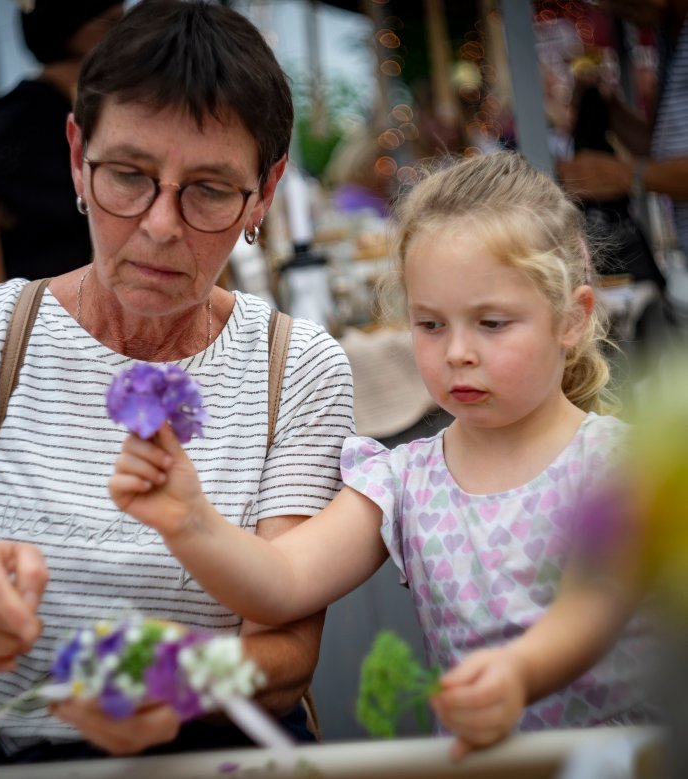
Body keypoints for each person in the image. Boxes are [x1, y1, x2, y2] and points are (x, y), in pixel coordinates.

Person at [0, 0, 354, 765]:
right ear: (78, 155)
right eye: (128, 175)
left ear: (267, 190)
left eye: (209, 190)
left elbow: (285, 658)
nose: (158, 224)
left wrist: (184, 677)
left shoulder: (297, 365)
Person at [111, 152, 655, 759]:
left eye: (493, 323)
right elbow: (283, 582)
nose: (458, 353)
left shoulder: (615, 465)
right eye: (429, 324)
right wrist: (190, 522)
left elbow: (591, 608)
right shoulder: (402, 479)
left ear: (571, 319)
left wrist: (518, 673)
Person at [0, 0, 124, 295]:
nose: (125, 37)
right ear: (72, 31)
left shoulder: (73, 111)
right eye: (112, 23)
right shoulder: (31, 112)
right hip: (42, 328)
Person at [557, 0, 688, 258]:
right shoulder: (668, 33)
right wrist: (607, 108)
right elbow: (666, 149)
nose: (608, 9)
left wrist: (624, 175)